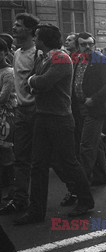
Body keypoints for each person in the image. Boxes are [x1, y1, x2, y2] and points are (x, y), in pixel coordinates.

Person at [14, 24, 95, 225]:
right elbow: (32, 84)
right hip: (42, 116)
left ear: (43, 39)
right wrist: (35, 82)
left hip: (60, 118)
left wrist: (34, 81)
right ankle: (36, 211)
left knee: (68, 162)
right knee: (38, 164)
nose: (34, 38)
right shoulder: (43, 57)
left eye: (37, 36)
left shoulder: (61, 57)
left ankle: (85, 200)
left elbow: (42, 83)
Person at [59, 32, 106, 206]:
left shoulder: (100, 60)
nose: (87, 47)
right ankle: (101, 177)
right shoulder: (75, 59)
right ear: (78, 45)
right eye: (83, 44)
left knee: (85, 147)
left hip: (94, 109)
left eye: (90, 44)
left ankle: (79, 189)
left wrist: (94, 98)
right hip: (78, 109)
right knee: (94, 143)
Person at [0, 13, 40, 215]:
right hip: (21, 111)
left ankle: (80, 193)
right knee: (21, 157)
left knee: (56, 159)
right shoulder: (16, 54)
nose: (14, 28)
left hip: (38, 112)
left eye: (19, 25)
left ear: (31, 31)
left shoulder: (37, 54)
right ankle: (20, 199)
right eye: (14, 25)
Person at [0, 38, 16, 205]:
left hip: (6, 115)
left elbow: (4, 96)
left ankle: (11, 187)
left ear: (5, 52)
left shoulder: (8, 72)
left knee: (6, 151)